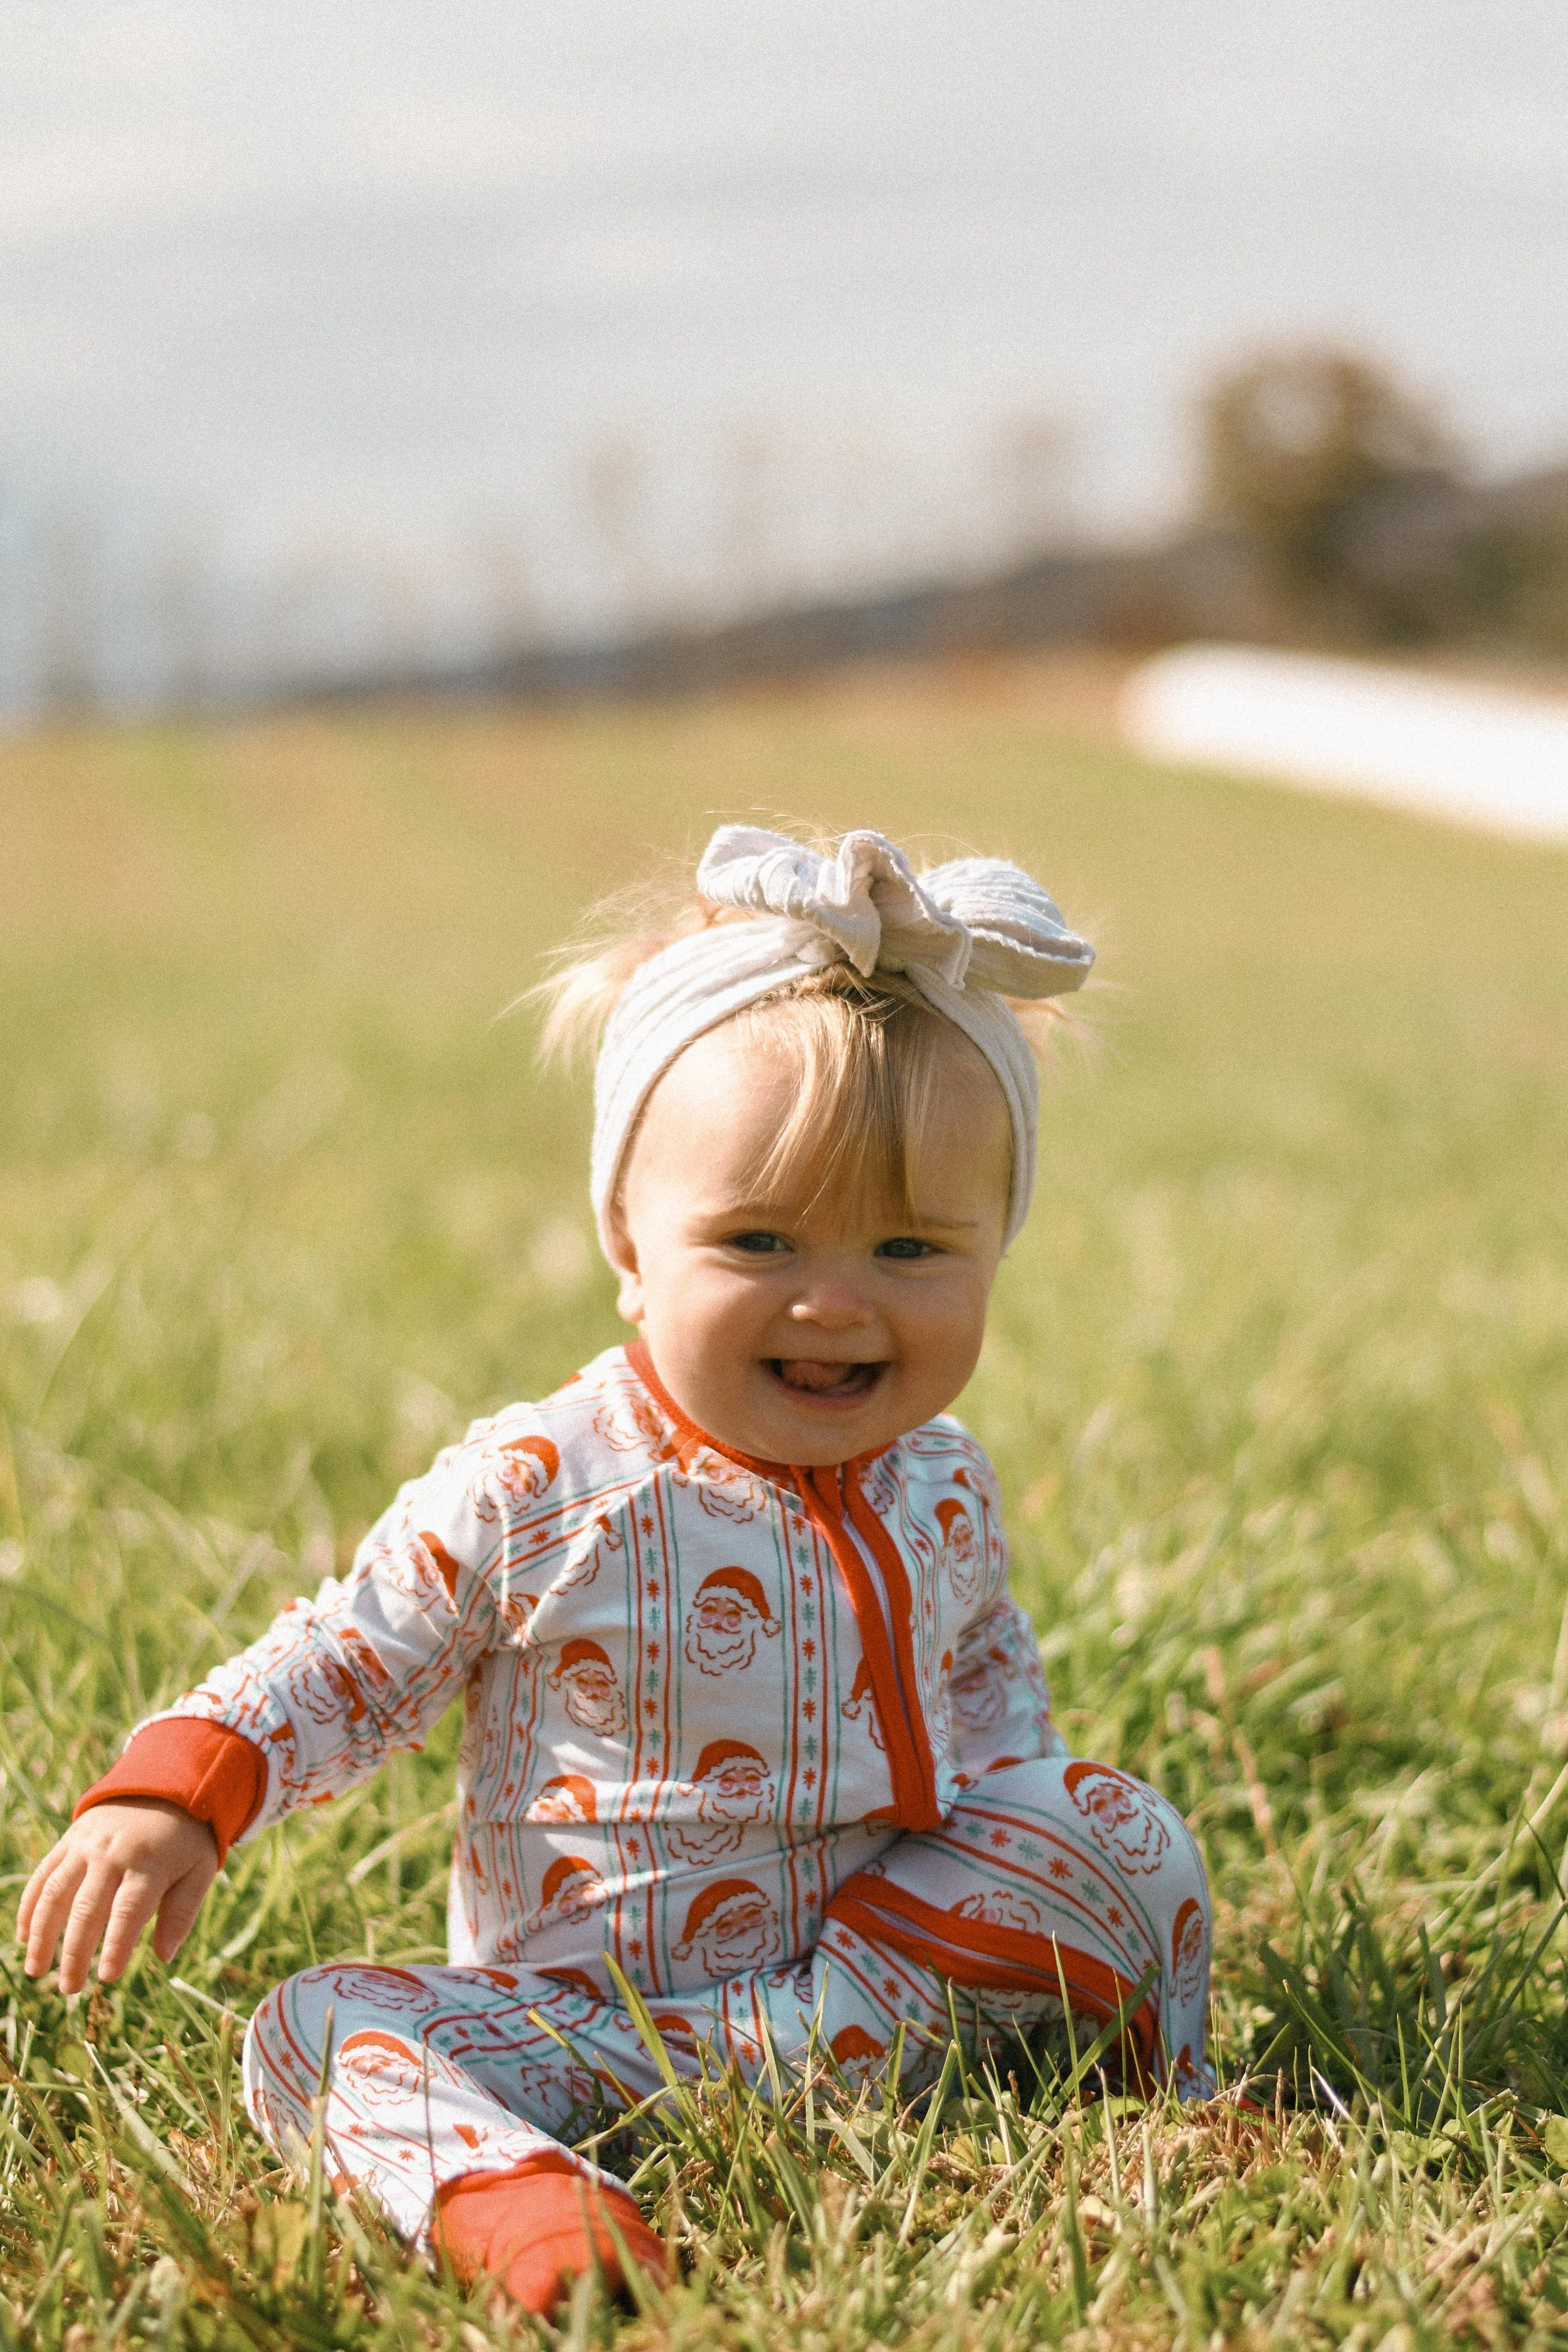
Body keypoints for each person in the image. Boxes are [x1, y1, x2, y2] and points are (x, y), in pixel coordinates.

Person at [17, 825, 1214, 2314]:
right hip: (582, 2014)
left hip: (862, 1979)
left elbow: (990, 1694)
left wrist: (1036, 1868)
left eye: (911, 1249)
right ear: (630, 1247)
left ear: (996, 1254)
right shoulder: (548, 1479)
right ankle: (522, 2202)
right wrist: (179, 1788)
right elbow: (352, 1654)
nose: (832, 1301)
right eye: (757, 1238)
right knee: (309, 2027)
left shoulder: (940, 1477)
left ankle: (1167, 2089)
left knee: (1125, 1828)